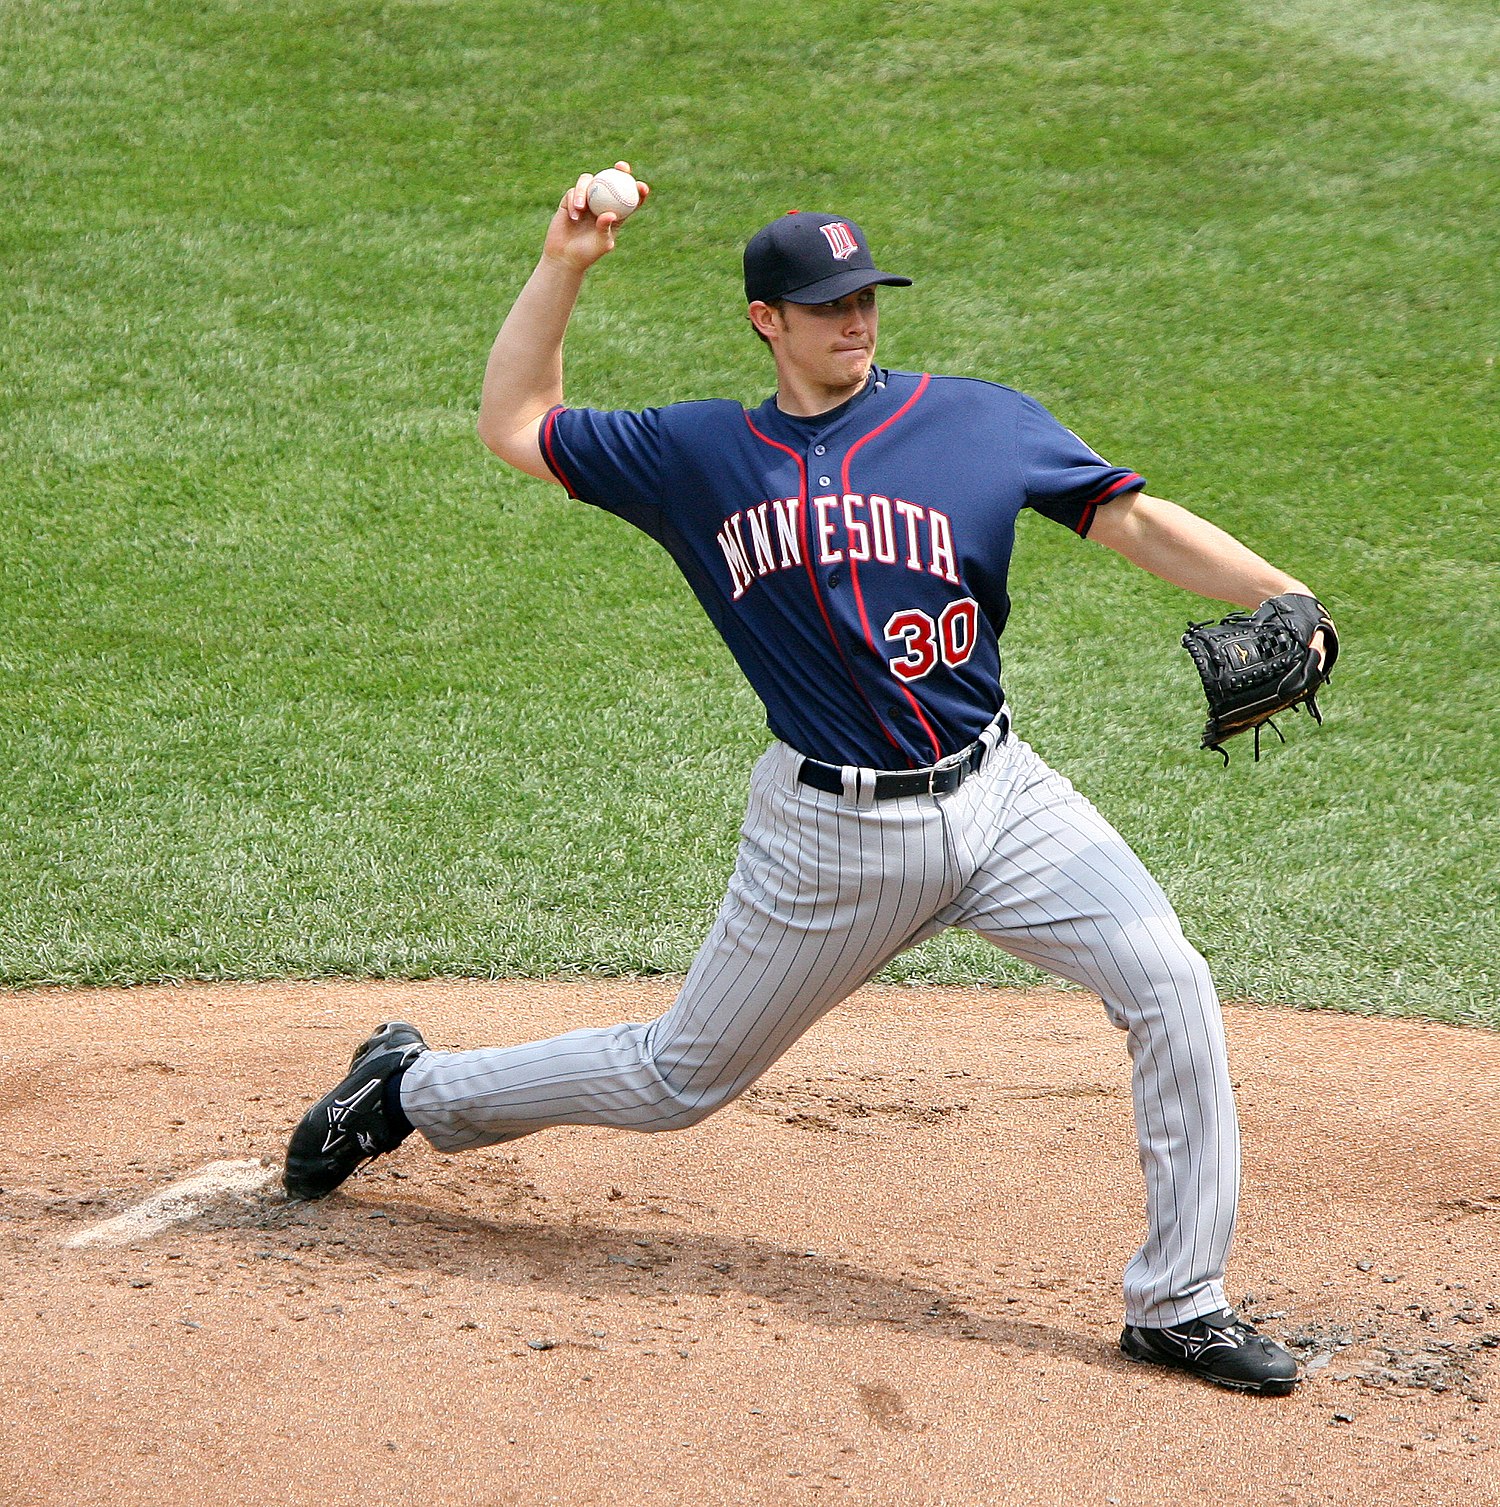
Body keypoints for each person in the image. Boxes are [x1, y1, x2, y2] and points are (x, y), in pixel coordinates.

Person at [285, 164, 1333, 1397]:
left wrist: (1281, 592)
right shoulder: (699, 454)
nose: (857, 320)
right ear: (765, 322)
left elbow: (1136, 520)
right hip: (830, 839)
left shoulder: (981, 421)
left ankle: (1179, 1302)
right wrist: (565, 261)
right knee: (677, 1078)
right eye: (828, 303)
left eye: (869, 297)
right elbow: (515, 424)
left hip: (1003, 796)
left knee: (1172, 981)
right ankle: (408, 1088)